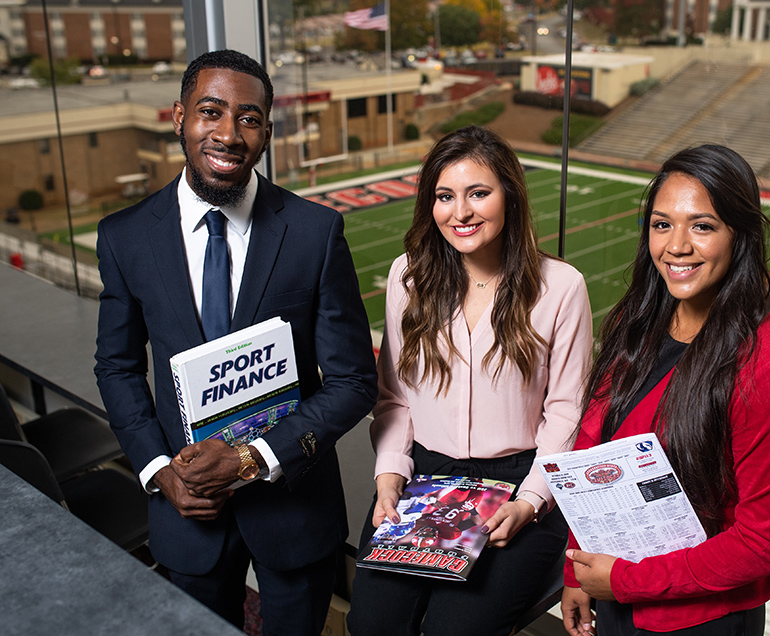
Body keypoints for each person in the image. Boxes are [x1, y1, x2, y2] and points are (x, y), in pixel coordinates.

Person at [94, 49, 377, 636]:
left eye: (248, 118)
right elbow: (117, 367)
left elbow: (352, 381)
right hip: (187, 506)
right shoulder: (124, 238)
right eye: (210, 111)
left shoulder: (315, 233)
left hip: (293, 506)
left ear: (267, 132)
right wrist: (155, 470)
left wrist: (256, 457)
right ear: (178, 117)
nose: (228, 133)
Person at [347, 125, 593, 636]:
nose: (460, 213)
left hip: (517, 479)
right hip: (422, 476)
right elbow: (394, 398)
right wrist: (389, 472)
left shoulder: (561, 287)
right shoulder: (407, 276)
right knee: (372, 625)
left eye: (478, 193)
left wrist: (532, 499)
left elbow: (567, 411)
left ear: (510, 196)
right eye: (444, 196)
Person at [561, 145, 770, 636]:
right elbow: (595, 460)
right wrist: (579, 568)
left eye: (702, 225)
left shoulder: (769, 370)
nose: (676, 246)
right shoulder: (642, 321)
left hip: (697, 618)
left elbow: (765, 542)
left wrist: (627, 580)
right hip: (617, 595)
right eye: (661, 224)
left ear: (738, 236)